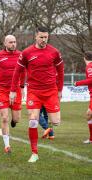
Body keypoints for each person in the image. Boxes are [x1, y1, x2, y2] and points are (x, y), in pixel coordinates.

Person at [10, 26, 64, 162]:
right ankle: (34, 153)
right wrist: (12, 91)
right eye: (41, 37)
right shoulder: (27, 53)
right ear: (35, 36)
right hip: (34, 91)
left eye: (46, 37)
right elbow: (17, 72)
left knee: (56, 122)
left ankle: (49, 128)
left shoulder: (54, 52)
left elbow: (61, 71)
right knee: (33, 120)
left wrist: (59, 90)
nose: (44, 40)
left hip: (51, 91)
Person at [0, 35, 25, 154]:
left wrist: (22, 86)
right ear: (5, 43)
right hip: (2, 90)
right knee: (4, 117)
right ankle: (7, 145)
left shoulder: (21, 55)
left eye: (15, 42)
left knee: (16, 119)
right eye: (11, 42)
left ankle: (14, 121)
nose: (13, 44)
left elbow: (24, 71)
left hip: (16, 90)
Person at [74, 51, 92, 144]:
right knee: (89, 115)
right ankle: (91, 139)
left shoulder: (89, 66)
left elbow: (91, 80)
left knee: (89, 114)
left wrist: (77, 83)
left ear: (84, 58)